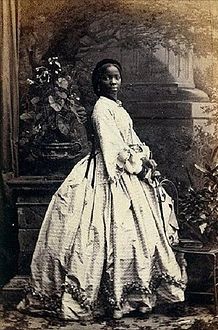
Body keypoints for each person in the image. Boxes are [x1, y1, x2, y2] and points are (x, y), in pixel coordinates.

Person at [18, 59, 187, 321]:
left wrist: (144, 158)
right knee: (103, 232)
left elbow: (131, 140)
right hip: (107, 173)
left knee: (139, 236)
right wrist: (138, 167)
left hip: (128, 173)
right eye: (107, 78)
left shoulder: (118, 108)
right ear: (98, 83)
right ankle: (112, 298)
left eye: (117, 77)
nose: (113, 82)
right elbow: (113, 150)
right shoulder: (101, 110)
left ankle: (139, 296)